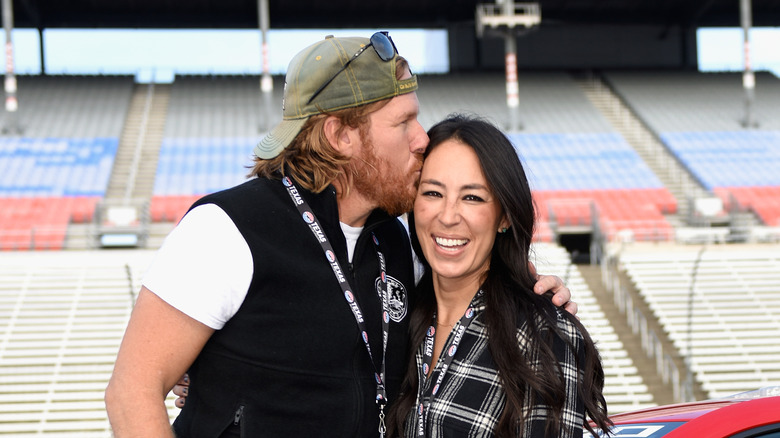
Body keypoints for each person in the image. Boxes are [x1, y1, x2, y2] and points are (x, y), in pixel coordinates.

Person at [105, 33, 574, 437]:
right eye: (402, 122)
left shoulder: (396, 240)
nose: (421, 139)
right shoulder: (227, 229)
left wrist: (537, 294)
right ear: (340, 135)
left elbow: (474, 278)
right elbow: (132, 393)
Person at [387, 115, 611, 437]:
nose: (448, 216)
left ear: (504, 216)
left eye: (472, 197)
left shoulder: (543, 337)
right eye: (433, 193)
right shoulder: (396, 318)